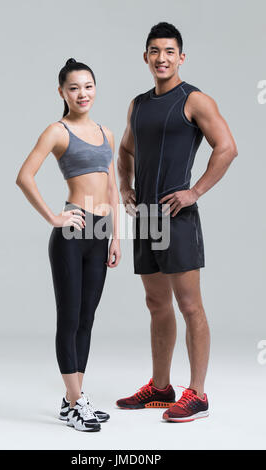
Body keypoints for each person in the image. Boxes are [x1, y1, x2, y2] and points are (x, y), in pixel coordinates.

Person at [116, 22, 238, 422]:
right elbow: (125, 150)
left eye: (169, 51)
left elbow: (227, 147)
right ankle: (161, 387)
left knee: (189, 306)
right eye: (155, 51)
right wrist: (125, 186)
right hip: (147, 218)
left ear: (180, 57)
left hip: (177, 217)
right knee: (155, 304)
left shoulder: (195, 100)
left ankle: (198, 395)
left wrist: (195, 191)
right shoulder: (138, 104)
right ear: (146, 57)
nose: (161, 58)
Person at [16, 58, 121, 432]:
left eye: (88, 86)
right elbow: (24, 176)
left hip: (101, 232)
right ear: (62, 92)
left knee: (87, 319)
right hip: (72, 234)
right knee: (70, 316)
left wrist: (116, 237)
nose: (83, 93)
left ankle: (72, 398)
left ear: (96, 88)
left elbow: (112, 187)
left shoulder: (106, 132)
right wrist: (53, 216)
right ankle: (77, 402)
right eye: (74, 87)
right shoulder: (57, 131)